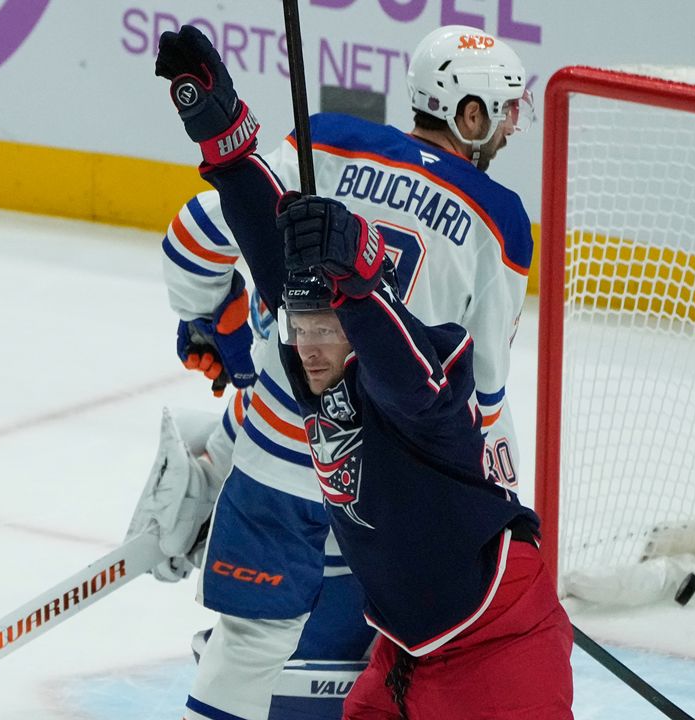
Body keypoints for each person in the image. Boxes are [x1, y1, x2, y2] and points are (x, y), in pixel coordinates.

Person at [154, 24, 575, 715]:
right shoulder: (500, 218)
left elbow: (199, 230)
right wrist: (497, 549)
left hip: (283, 437)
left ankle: (201, 486)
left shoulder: (328, 139)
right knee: (377, 645)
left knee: (250, 641)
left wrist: (216, 322)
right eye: (501, 110)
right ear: (469, 114)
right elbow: (484, 395)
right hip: (385, 481)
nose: (507, 126)